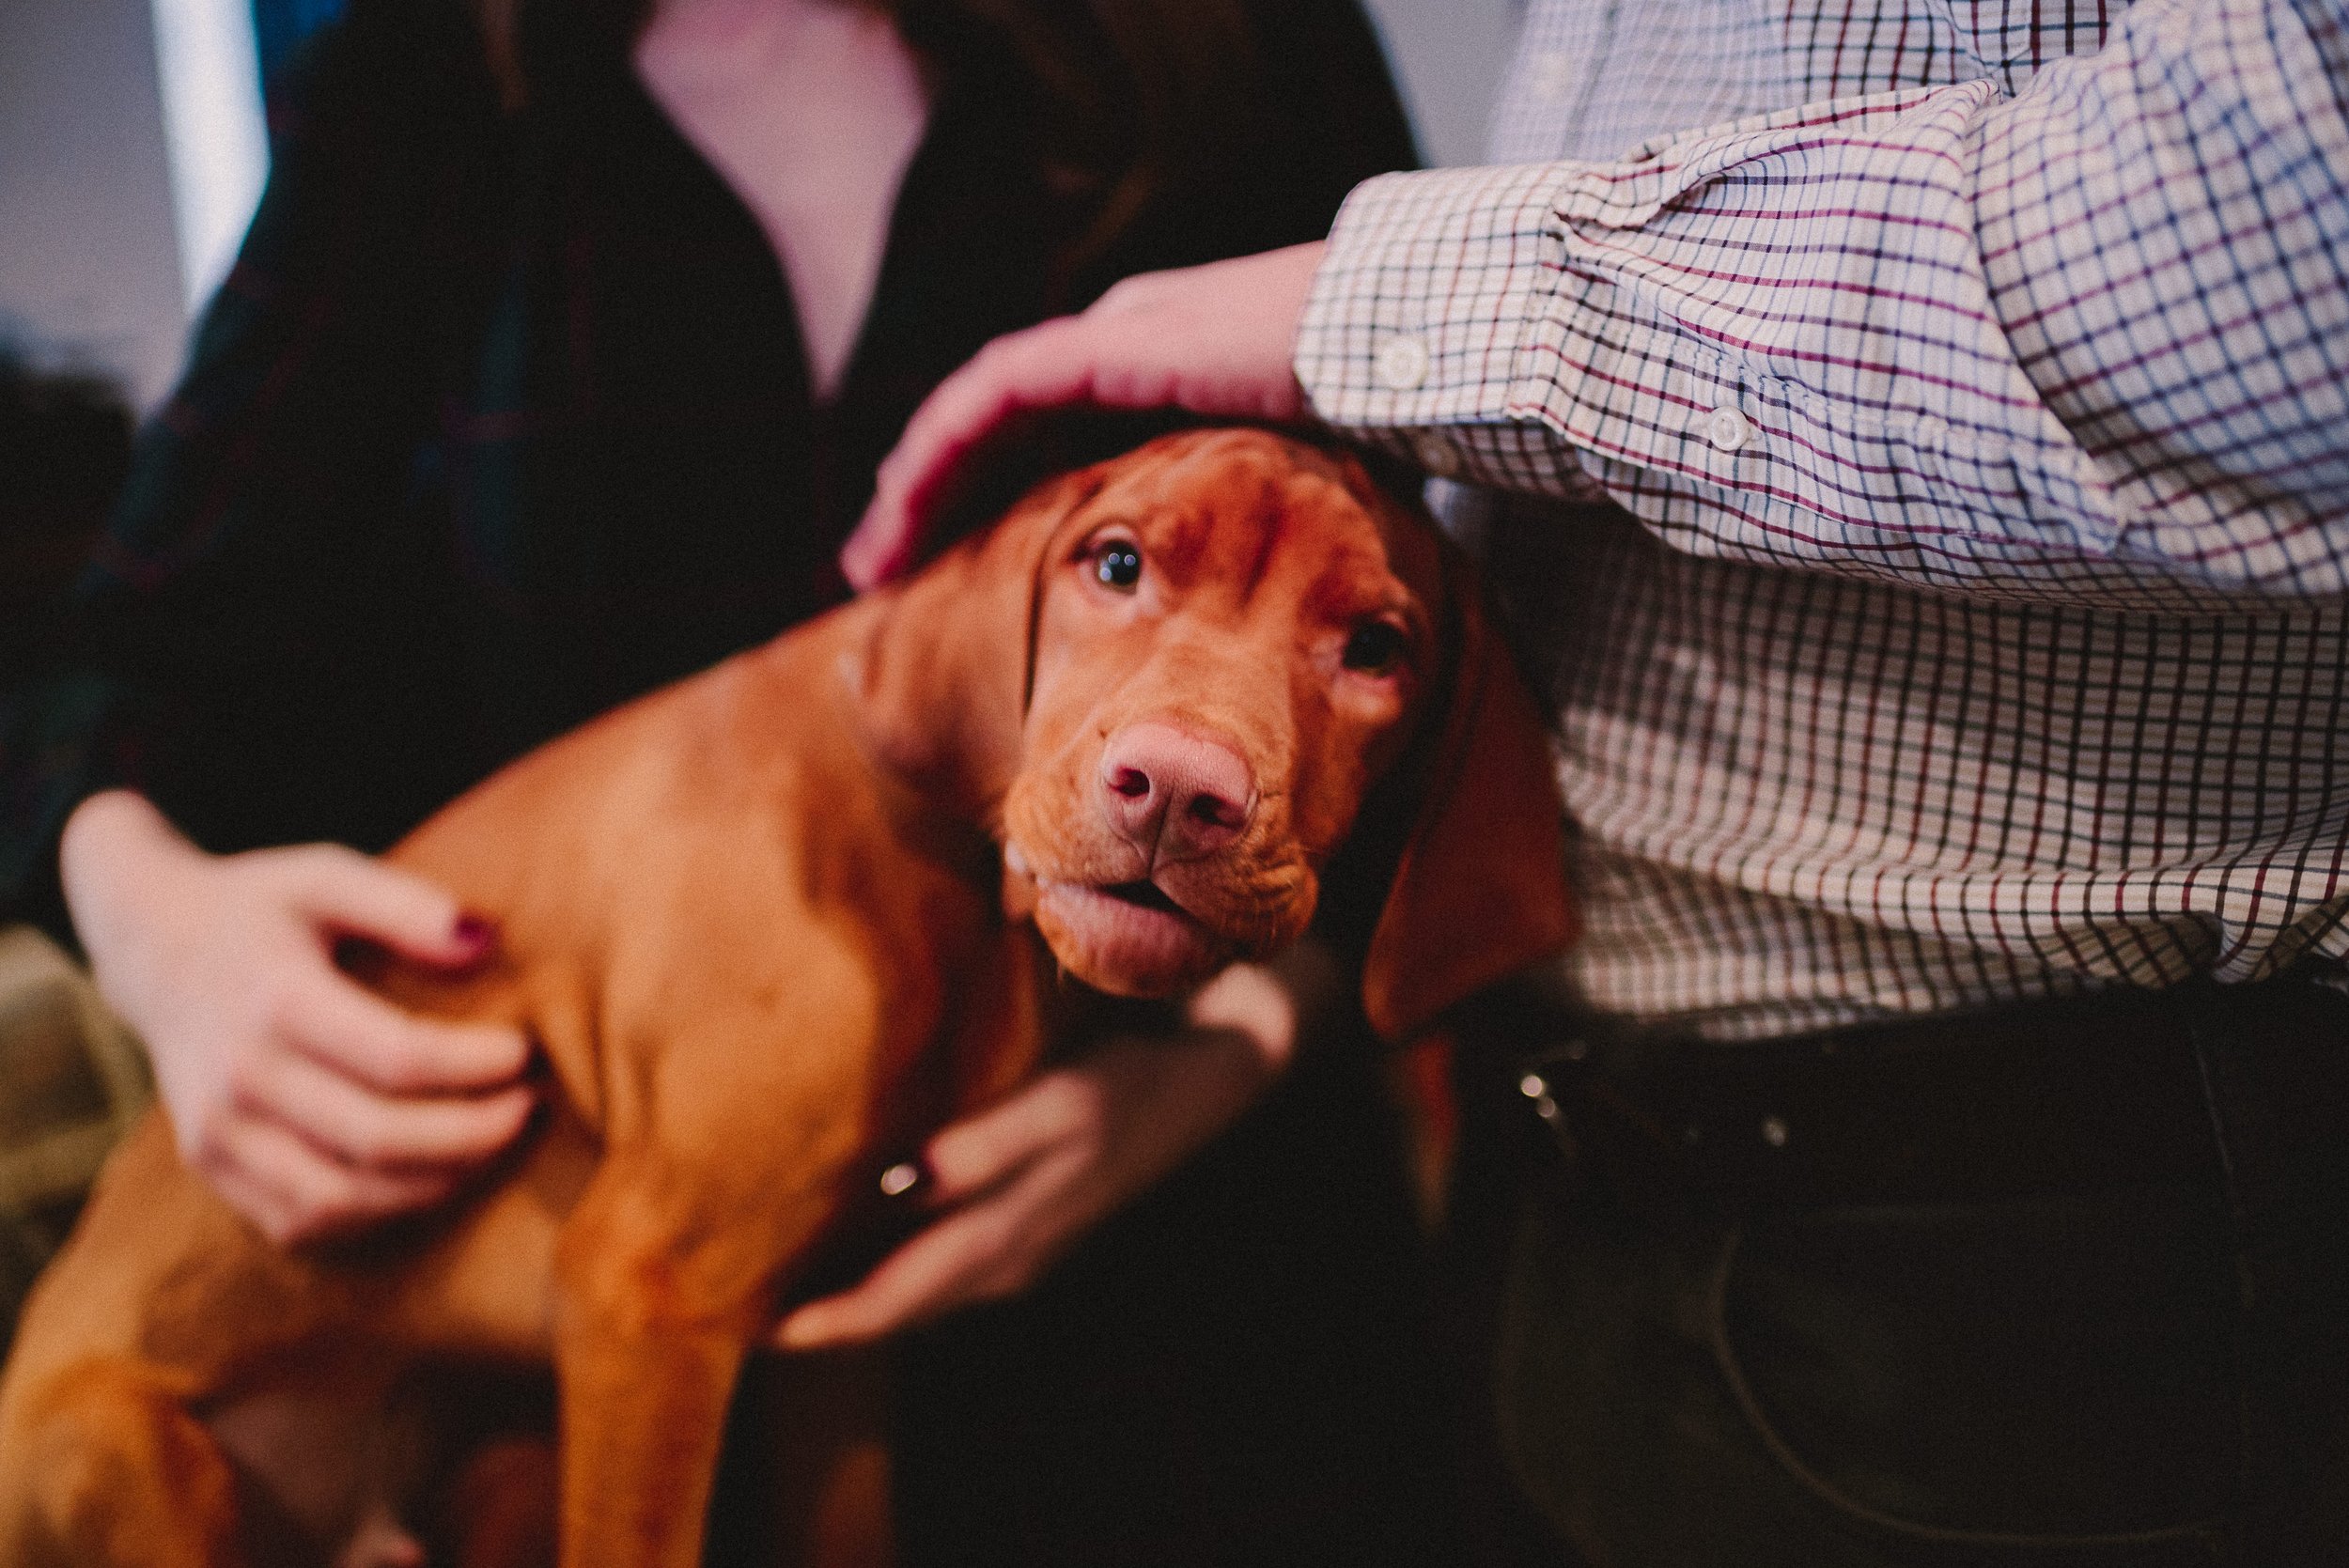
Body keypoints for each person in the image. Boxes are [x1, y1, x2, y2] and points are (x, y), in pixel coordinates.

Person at [831, 0, 2349, 1559]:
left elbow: (2306, 225)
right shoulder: (575, 118)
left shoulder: (1231, 50)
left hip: (2004, 1208)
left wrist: (1410, 298)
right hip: (1562, 1154)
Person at [0, 1, 1455, 1560]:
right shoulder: (428, 66)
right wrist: (159, 925)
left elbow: (1438, 634)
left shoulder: (1253, 43)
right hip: (586, 1376)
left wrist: (1225, 1049)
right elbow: (132, 651)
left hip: (1201, 1319)